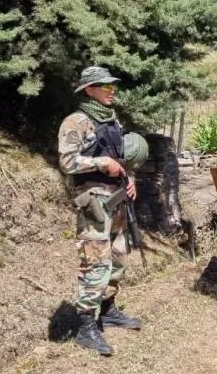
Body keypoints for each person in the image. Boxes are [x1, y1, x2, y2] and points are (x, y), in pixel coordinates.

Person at [57, 65, 142, 356]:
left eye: (111, 85)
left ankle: (107, 309)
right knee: (95, 261)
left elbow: (119, 158)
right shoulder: (76, 121)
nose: (111, 90)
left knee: (118, 256)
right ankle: (85, 327)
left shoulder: (112, 120)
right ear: (89, 90)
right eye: (105, 86)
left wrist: (128, 179)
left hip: (116, 198)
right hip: (93, 199)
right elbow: (68, 163)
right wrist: (100, 163)